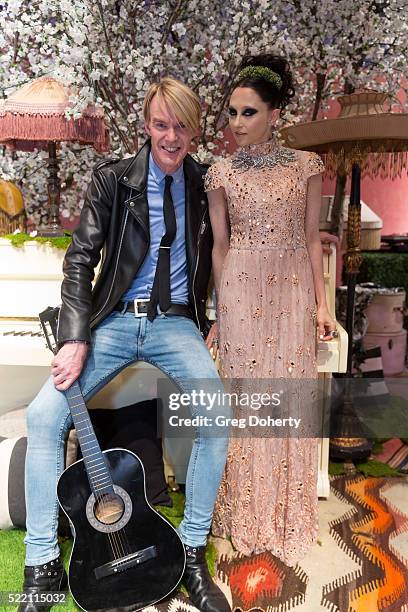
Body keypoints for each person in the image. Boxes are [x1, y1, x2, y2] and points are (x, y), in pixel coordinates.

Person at [20, 77, 231, 612]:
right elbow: (80, 259)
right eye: (161, 124)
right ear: (146, 124)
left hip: (175, 324)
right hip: (114, 322)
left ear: (195, 129)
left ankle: (190, 552)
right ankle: (41, 563)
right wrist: (74, 337)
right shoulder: (113, 180)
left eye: (181, 126)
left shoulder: (208, 183)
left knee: (218, 417)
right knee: (45, 416)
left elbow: (236, 246)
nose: (171, 136)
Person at [204, 54, 337, 566]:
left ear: (275, 113)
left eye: (248, 113)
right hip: (240, 291)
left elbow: (310, 239)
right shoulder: (220, 171)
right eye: (232, 113)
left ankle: (287, 516)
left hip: (292, 294)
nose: (236, 124)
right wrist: (221, 310)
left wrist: (322, 305)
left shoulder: (306, 167)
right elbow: (219, 246)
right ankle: (245, 517)